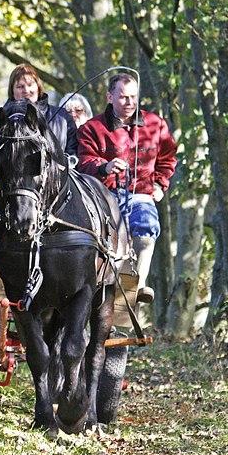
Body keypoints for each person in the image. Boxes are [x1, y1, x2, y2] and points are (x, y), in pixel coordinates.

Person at [77, 73, 177, 322]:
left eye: (133, 97)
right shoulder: (93, 128)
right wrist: (105, 166)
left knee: (146, 228)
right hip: (103, 193)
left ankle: (136, 288)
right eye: (123, 97)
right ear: (110, 97)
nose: (129, 102)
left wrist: (160, 184)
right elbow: (84, 160)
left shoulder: (155, 124)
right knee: (98, 239)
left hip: (140, 193)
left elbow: (168, 157)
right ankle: (90, 288)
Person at [6, 64, 78, 160]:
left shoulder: (62, 117)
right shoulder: (2, 119)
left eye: (30, 85)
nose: (26, 90)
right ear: (12, 90)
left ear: (38, 87)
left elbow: (73, 153)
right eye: (20, 86)